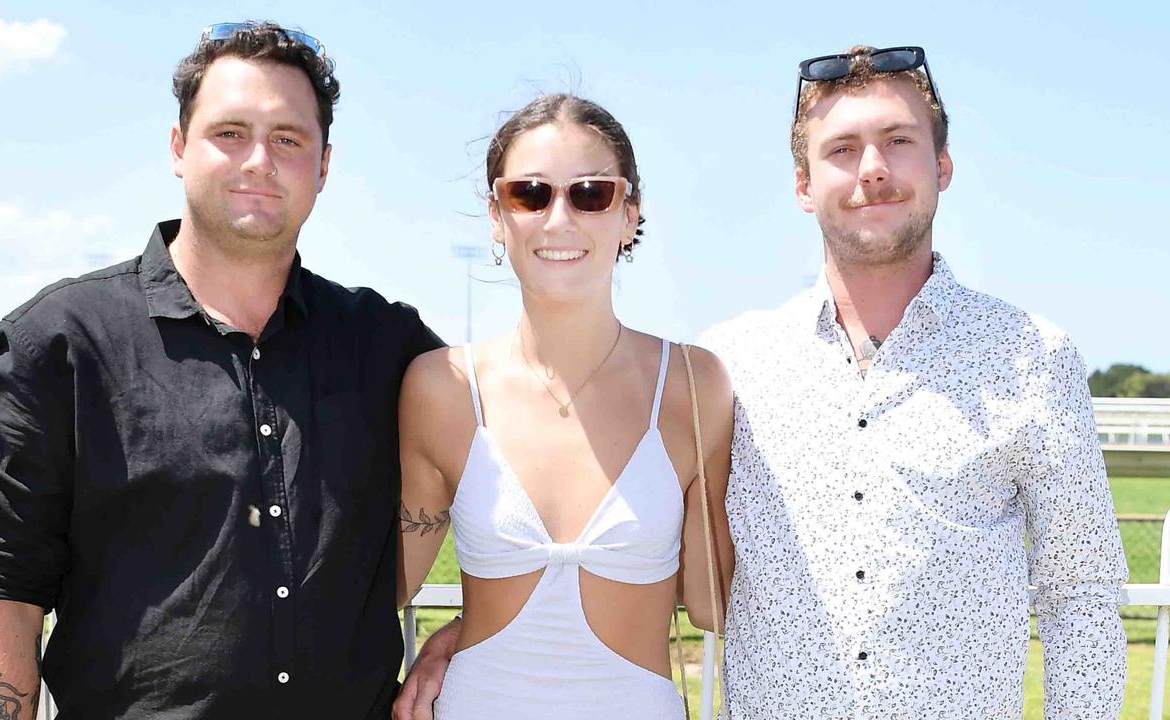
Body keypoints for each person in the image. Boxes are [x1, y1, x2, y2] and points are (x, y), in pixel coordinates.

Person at [0, 21, 441, 719]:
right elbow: (4, 585)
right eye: (230, 133)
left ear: (324, 165)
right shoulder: (60, 341)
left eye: (288, 140)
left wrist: (469, 629)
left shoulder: (386, 343)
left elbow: (532, 446)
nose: (258, 162)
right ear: (179, 148)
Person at [696, 45, 1127, 717]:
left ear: (942, 166)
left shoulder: (1033, 356)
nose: (872, 169)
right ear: (804, 185)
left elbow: (1082, 593)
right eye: (842, 149)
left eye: (897, 142)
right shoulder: (729, 363)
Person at [392, 94, 734, 719]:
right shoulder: (440, 388)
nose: (558, 219)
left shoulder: (693, 384)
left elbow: (714, 604)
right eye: (530, 194)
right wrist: (450, 637)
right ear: (497, 216)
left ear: (630, 214)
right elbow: (386, 586)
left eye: (590, 194)